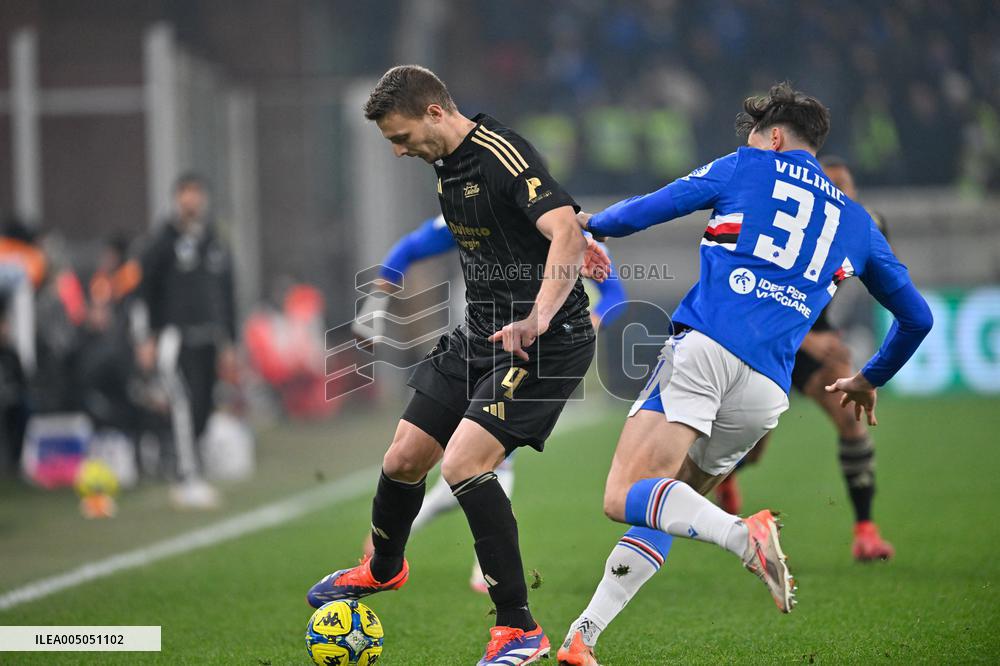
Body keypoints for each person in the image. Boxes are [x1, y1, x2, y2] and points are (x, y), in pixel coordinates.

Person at [557, 83, 933, 665]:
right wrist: (869, 377)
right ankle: (584, 636)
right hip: (764, 393)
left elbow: (654, 206)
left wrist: (590, 224)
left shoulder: (749, 166)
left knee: (622, 495)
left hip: (705, 351)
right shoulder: (858, 224)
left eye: (756, 136)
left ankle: (742, 535)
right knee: (668, 501)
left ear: (774, 137)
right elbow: (917, 317)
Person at [305, 65, 609, 665]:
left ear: (436, 113)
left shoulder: (501, 153)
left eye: (401, 137)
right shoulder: (444, 162)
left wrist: (543, 311)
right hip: (482, 332)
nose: (398, 152)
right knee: (403, 458)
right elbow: (538, 233)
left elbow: (564, 229)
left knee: (465, 463)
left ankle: (519, 629)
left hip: (547, 340)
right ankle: (383, 567)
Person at [354, 213, 628, 593]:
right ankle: (432, 556)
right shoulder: (469, 206)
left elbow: (615, 292)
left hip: (532, 351)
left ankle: (474, 571)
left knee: (482, 461)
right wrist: (376, 301)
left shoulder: (563, 228)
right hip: (473, 340)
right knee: (457, 461)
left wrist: (591, 320)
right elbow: (411, 248)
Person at [713, 155, 895, 562]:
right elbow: (755, 294)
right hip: (769, 341)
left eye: (847, 187)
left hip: (815, 341)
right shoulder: (779, 226)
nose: (842, 195)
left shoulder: (868, 226)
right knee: (754, 450)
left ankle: (865, 530)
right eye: (834, 187)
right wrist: (809, 339)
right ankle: (723, 478)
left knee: (851, 421)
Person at [137, 173, 236, 508]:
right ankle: (186, 477)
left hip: (208, 336)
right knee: (183, 403)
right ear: (177, 199)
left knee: (205, 406)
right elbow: (146, 290)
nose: (191, 201)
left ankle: (189, 466)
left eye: (196, 193)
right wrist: (149, 336)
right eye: (185, 194)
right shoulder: (162, 241)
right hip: (175, 337)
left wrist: (229, 340)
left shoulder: (214, 239)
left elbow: (227, 291)